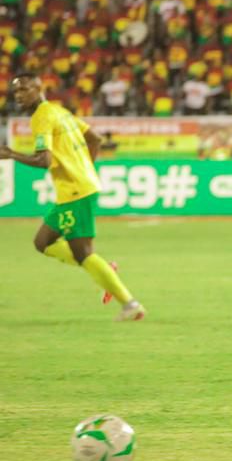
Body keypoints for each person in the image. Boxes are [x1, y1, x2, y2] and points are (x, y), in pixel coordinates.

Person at [0, 73, 145, 322]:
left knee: (83, 253)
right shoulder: (60, 112)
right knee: (43, 242)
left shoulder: (41, 117)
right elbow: (95, 139)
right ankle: (103, 269)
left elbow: (43, 160)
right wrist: (84, 167)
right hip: (76, 188)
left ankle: (129, 303)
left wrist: (12, 154)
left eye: (24, 90)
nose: (19, 96)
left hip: (76, 191)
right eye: (16, 92)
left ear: (39, 88)